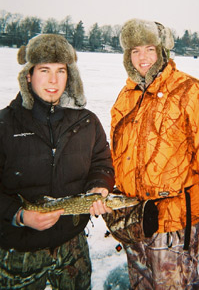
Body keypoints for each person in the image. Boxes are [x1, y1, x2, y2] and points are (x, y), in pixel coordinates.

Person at [108, 19, 199, 289]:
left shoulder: (190, 91)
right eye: (135, 51)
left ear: (162, 52)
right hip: (135, 219)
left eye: (149, 49)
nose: (143, 58)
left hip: (175, 222)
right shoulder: (126, 96)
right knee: (140, 284)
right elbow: (118, 154)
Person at [0, 34, 114, 290]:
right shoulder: (4, 125)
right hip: (19, 250)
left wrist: (99, 186)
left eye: (61, 70)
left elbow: (102, 163)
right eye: (44, 70)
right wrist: (19, 216)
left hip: (72, 246)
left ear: (69, 75)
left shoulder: (87, 122)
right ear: (28, 75)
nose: (53, 80)